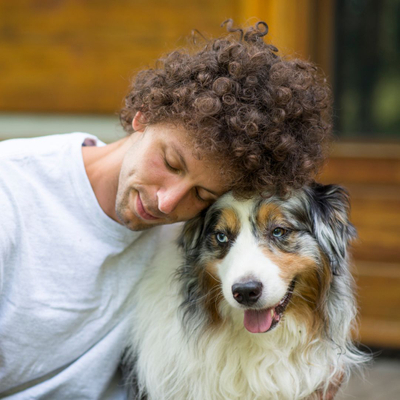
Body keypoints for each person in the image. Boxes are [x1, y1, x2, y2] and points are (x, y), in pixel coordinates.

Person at [0, 21, 332, 399]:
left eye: (202, 193)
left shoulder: (201, 232)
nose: (168, 203)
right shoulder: (11, 193)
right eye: (171, 162)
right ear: (143, 116)